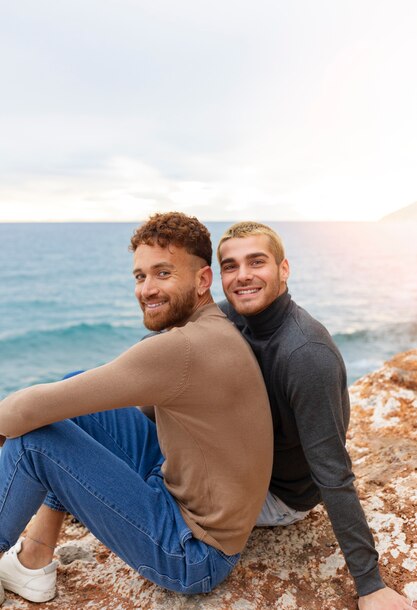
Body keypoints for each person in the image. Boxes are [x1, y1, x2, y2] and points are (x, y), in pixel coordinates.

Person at [0, 212, 273, 605]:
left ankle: (23, 558)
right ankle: (35, 558)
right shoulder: (216, 328)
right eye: (140, 276)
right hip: (187, 492)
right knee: (72, 394)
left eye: (163, 273)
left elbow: (22, 412)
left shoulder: (180, 349)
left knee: (33, 442)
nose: (147, 289)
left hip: (192, 553)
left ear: (202, 280)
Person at [217, 221, 415, 610]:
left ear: (284, 269)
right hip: (249, 466)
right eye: (230, 266)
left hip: (279, 498)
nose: (242, 276)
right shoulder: (235, 317)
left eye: (256, 262)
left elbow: (333, 472)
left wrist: (370, 584)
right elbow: (172, 338)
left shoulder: (304, 353)